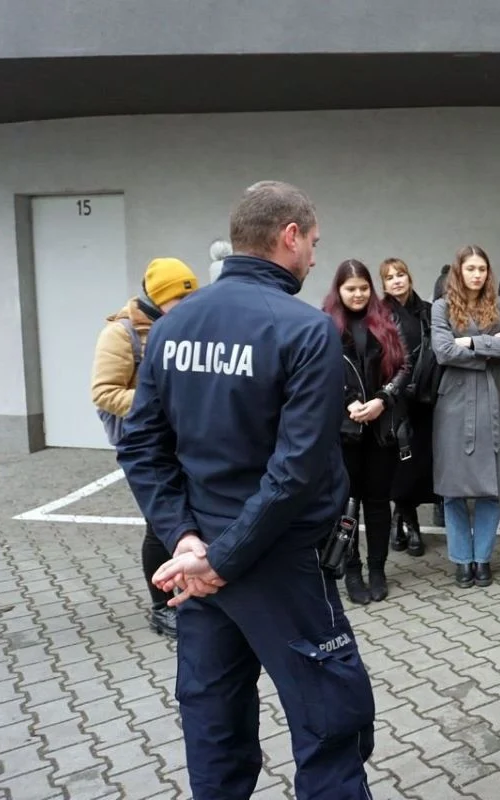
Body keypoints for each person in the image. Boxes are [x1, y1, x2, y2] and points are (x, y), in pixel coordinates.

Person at [116, 180, 377, 799]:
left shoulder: (174, 325)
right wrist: (219, 559)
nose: (313, 256)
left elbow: (141, 445)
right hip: (278, 566)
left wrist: (186, 541)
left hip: (200, 568)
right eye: (313, 243)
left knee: (215, 733)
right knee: (332, 729)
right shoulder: (306, 330)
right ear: (289, 236)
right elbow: (296, 471)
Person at [91, 256, 200, 639]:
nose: (186, 307)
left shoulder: (182, 326)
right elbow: (104, 392)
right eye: (179, 300)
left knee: (185, 518)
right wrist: (159, 401)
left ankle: (187, 591)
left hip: (181, 438)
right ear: (157, 297)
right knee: (161, 524)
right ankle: (161, 607)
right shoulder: (121, 333)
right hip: (144, 442)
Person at [431, 245, 500, 588]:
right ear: (459, 271)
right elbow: (443, 352)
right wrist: (488, 344)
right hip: (453, 401)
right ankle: (461, 559)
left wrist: (468, 344)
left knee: (490, 485)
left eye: (482, 268)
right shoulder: (441, 307)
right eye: (470, 268)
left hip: (491, 397)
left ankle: (482, 558)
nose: (477, 274)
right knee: (454, 487)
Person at [323, 259, 410, 604]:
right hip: (344, 430)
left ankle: (377, 569)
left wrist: (382, 400)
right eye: (351, 289)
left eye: (363, 288)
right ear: (339, 290)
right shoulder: (326, 324)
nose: (358, 294)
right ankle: (352, 571)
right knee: (347, 504)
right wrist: (349, 403)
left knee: (377, 501)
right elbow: (319, 372)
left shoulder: (386, 319)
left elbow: (405, 367)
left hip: (380, 428)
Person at [380, 257, 440, 555]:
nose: (396, 281)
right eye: (390, 277)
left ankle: (398, 519)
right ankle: (411, 525)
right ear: (384, 284)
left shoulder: (428, 311)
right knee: (400, 463)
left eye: (400, 274)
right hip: (395, 398)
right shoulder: (378, 314)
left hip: (425, 398)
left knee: (419, 464)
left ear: (409, 277)